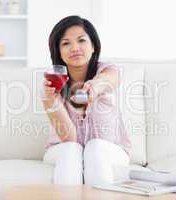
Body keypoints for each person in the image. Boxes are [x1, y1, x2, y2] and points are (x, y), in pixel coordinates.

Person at [41, 15, 132, 185]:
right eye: (66, 43)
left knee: (95, 146)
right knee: (72, 149)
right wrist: (51, 101)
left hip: (110, 150)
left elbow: (108, 81)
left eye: (81, 40)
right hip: (63, 149)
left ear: (93, 46)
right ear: (58, 52)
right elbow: (69, 138)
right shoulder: (52, 83)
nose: (75, 48)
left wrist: (94, 88)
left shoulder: (108, 70)